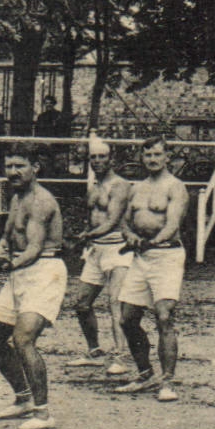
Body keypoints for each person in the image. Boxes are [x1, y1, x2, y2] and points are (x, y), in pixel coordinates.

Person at [0, 144, 66, 429]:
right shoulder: (17, 197)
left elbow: (34, 248)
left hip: (44, 271)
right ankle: (23, 399)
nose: (13, 172)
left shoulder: (41, 201)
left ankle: (43, 413)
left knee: (23, 339)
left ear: (35, 168)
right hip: (21, 271)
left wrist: (9, 265)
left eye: (20, 165)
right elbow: (9, 237)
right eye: (9, 166)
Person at [113, 136, 188, 402]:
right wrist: (130, 236)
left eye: (157, 154)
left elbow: (172, 224)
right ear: (142, 158)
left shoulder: (175, 187)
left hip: (167, 256)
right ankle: (145, 373)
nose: (153, 160)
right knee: (127, 319)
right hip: (140, 257)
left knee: (164, 316)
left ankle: (167, 381)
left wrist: (154, 241)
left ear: (167, 157)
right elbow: (124, 222)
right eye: (148, 155)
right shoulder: (136, 188)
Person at [67, 137, 134, 375]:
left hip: (118, 250)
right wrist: (84, 241)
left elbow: (111, 221)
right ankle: (94, 352)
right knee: (82, 304)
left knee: (115, 304)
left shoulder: (121, 186)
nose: (97, 161)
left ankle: (121, 356)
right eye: (93, 157)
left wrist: (83, 236)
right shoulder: (93, 188)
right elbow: (91, 220)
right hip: (96, 250)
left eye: (102, 156)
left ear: (111, 158)